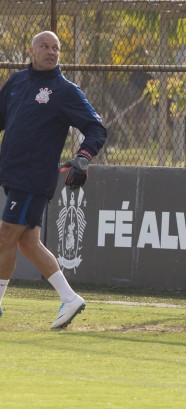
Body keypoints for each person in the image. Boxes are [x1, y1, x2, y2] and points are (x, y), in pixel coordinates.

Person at [0, 31, 107, 329]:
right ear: (32, 50)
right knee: (27, 243)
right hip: (12, 173)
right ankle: (69, 298)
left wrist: (83, 157)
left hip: (34, 177)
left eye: (56, 48)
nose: (51, 52)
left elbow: (96, 128)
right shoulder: (17, 83)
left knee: (5, 234)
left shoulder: (64, 90)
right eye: (44, 46)